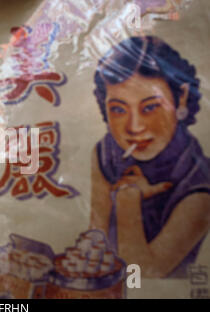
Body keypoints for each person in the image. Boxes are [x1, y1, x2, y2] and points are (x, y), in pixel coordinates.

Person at [89, 36, 210, 278]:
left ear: (182, 97)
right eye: (118, 109)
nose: (134, 127)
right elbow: (96, 242)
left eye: (151, 107)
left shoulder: (199, 183)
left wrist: (128, 200)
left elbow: (140, 277)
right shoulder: (106, 153)